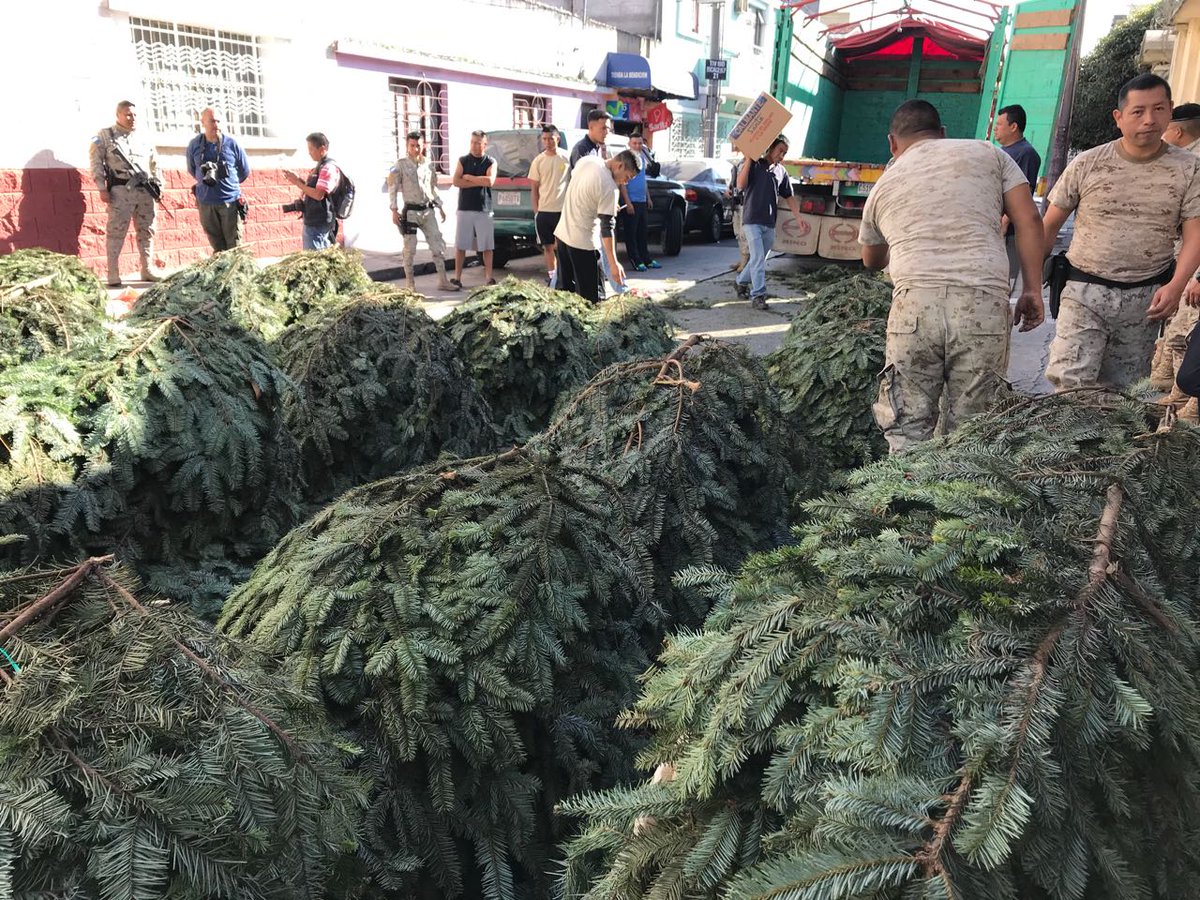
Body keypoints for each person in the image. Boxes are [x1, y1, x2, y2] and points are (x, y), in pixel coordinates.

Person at [859, 99, 1044, 453]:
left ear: (892, 143)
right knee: (976, 431)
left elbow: (871, 258)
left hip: (914, 308)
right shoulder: (989, 153)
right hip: (982, 303)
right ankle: (963, 504)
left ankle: (907, 502)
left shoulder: (886, 181)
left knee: (907, 427)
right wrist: (1032, 289)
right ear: (942, 134)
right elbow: (1028, 220)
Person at [1042, 74, 1200, 392]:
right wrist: (1032, 287)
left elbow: (1195, 234)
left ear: (1170, 110)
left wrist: (1176, 285)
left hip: (1146, 297)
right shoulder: (1088, 164)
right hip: (1083, 291)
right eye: (1138, 111)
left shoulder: (1190, 169)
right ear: (1119, 117)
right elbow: (1048, 226)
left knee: (1125, 392)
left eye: (1158, 109)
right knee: (1070, 384)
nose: (1149, 120)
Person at [1153, 102, 1200, 420]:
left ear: (1177, 130)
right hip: (1186, 259)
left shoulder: (1195, 163)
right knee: (1180, 332)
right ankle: (1178, 395)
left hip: (1195, 266)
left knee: (1188, 332)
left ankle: (1191, 403)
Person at [89, 100, 162, 286]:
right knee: (116, 231)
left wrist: (159, 185)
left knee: (147, 230)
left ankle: (147, 269)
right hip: (121, 190)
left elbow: (155, 163)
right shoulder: (104, 136)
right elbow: (96, 163)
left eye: (135, 115)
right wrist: (101, 187)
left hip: (145, 190)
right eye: (128, 114)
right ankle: (113, 273)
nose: (132, 118)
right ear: (118, 115)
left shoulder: (144, 137)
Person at [554, 150, 641, 304]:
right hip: (583, 245)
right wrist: (614, 264)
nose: (625, 182)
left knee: (565, 296)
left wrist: (604, 207)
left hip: (562, 236)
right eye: (627, 177)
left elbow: (583, 191)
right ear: (619, 165)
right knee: (590, 299)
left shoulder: (588, 160)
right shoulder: (610, 187)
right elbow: (607, 228)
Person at [734, 136, 801, 310]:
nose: (782, 156)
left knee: (759, 258)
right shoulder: (755, 165)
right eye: (780, 151)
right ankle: (759, 295)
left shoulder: (781, 172)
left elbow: (789, 196)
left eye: (785, 153)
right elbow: (740, 185)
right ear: (771, 148)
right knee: (757, 258)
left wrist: (798, 218)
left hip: (769, 223)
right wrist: (749, 159)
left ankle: (740, 282)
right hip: (752, 220)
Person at [389, 130, 455, 292]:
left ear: (423, 145)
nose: (415, 149)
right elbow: (393, 187)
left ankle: (443, 281)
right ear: (407, 146)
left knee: (437, 245)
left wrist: (440, 207)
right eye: (412, 146)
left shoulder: (428, 165)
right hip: (411, 212)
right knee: (409, 249)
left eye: (418, 145)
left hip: (427, 210)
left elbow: (432, 188)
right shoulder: (400, 165)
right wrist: (394, 209)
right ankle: (410, 284)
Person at [187, 107, 251, 253]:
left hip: (229, 201)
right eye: (212, 121)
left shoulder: (232, 144)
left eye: (218, 121)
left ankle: (236, 275)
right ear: (203, 122)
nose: (215, 124)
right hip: (206, 203)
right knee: (217, 247)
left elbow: (244, 171)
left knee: (234, 247)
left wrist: (227, 184)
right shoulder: (194, 145)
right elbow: (192, 169)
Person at [994, 104, 1041, 295]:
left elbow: (1023, 193)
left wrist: (1004, 223)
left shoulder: (1026, 153)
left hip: (1009, 232)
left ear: (1013, 127)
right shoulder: (999, 152)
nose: (995, 128)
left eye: (999, 124)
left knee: (1003, 281)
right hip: (993, 225)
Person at [451, 130, 497, 287]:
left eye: (478, 143)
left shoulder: (490, 161)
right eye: (472, 142)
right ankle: (457, 278)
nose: (475, 146)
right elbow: (456, 181)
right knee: (461, 245)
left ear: (485, 144)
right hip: (465, 208)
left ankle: (489, 278)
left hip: (484, 209)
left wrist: (469, 178)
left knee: (487, 246)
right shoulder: (463, 160)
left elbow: (490, 181)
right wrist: (479, 181)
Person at [283, 133, 341, 250]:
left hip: (319, 222)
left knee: (317, 259)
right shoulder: (319, 167)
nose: (309, 152)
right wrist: (298, 179)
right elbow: (313, 190)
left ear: (322, 149)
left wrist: (297, 183)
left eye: (311, 149)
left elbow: (318, 195)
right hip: (312, 220)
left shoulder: (328, 168)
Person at [528, 124, 570, 285]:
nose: (548, 142)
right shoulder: (538, 161)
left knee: (562, 247)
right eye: (544, 139)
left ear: (557, 139)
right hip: (544, 212)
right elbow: (534, 189)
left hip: (562, 211)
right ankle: (552, 276)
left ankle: (564, 275)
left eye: (551, 139)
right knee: (547, 247)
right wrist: (536, 211)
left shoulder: (567, 158)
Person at [726, 159, 749, 274]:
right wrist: (729, 190)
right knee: (738, 232)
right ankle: (742, 259)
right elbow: (733, 182)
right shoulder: (738, 163)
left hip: (746, 203)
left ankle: (745, 261)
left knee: (743, 233)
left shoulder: (752, 163)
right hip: (737, 202)